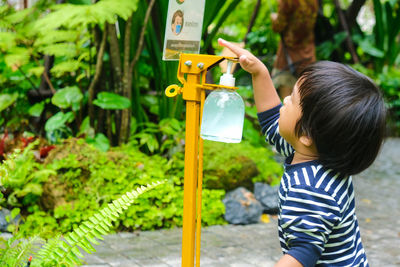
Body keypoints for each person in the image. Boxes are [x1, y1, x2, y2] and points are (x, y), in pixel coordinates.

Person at [218, 38, 386, 267]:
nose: (285, 100)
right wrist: (260, 73)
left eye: (293, 100)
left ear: (307, 134)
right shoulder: (313, 152)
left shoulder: (311, 188)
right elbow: (271, 125)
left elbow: (302, 253)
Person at [271, 0, 318, 99]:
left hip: (288, 56)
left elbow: (278, 26)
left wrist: (274, 18)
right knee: (305, 100)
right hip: (308, 55)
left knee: (287, 101)